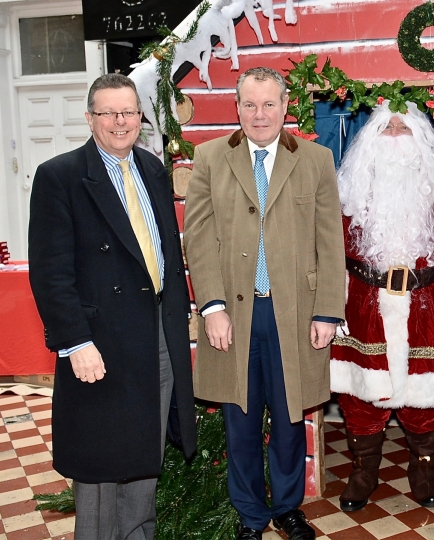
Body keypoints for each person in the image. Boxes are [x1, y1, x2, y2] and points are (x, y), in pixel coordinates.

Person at [28, 73, 197, 539]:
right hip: (98, 344)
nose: (121, 121)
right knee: (101, 464)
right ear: (90, 118)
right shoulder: (60, 176)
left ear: (141, 118)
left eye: (129, 112)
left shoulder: (152, 168)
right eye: (109, 112)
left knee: (145, 454)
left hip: (157, 335)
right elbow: (49, 273)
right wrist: (74, 341)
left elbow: (166, 249)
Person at [184, 67, 345, 540]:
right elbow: (198, 236)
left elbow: (329, 241)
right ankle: (251, 516)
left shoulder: (314, 160)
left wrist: (327, 311)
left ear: (284, 105)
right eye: (250, 105)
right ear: (237, 107)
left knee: (292, 417)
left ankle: (288, 507)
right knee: (241, 421)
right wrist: (211, 306)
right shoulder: (210, 158)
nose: (259, 114)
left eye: (269, 104)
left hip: (295, 314)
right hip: (232, 315)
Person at [330, 101, 434, 511]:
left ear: (423, 139)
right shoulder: (346, 190)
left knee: (427, 395)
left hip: (427, 305)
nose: (395, 136)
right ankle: (364, 467)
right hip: (362, 305)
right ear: (370, 139)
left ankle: (424, 465)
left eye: (405, 128)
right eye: (387, 128)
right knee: (360, 395)